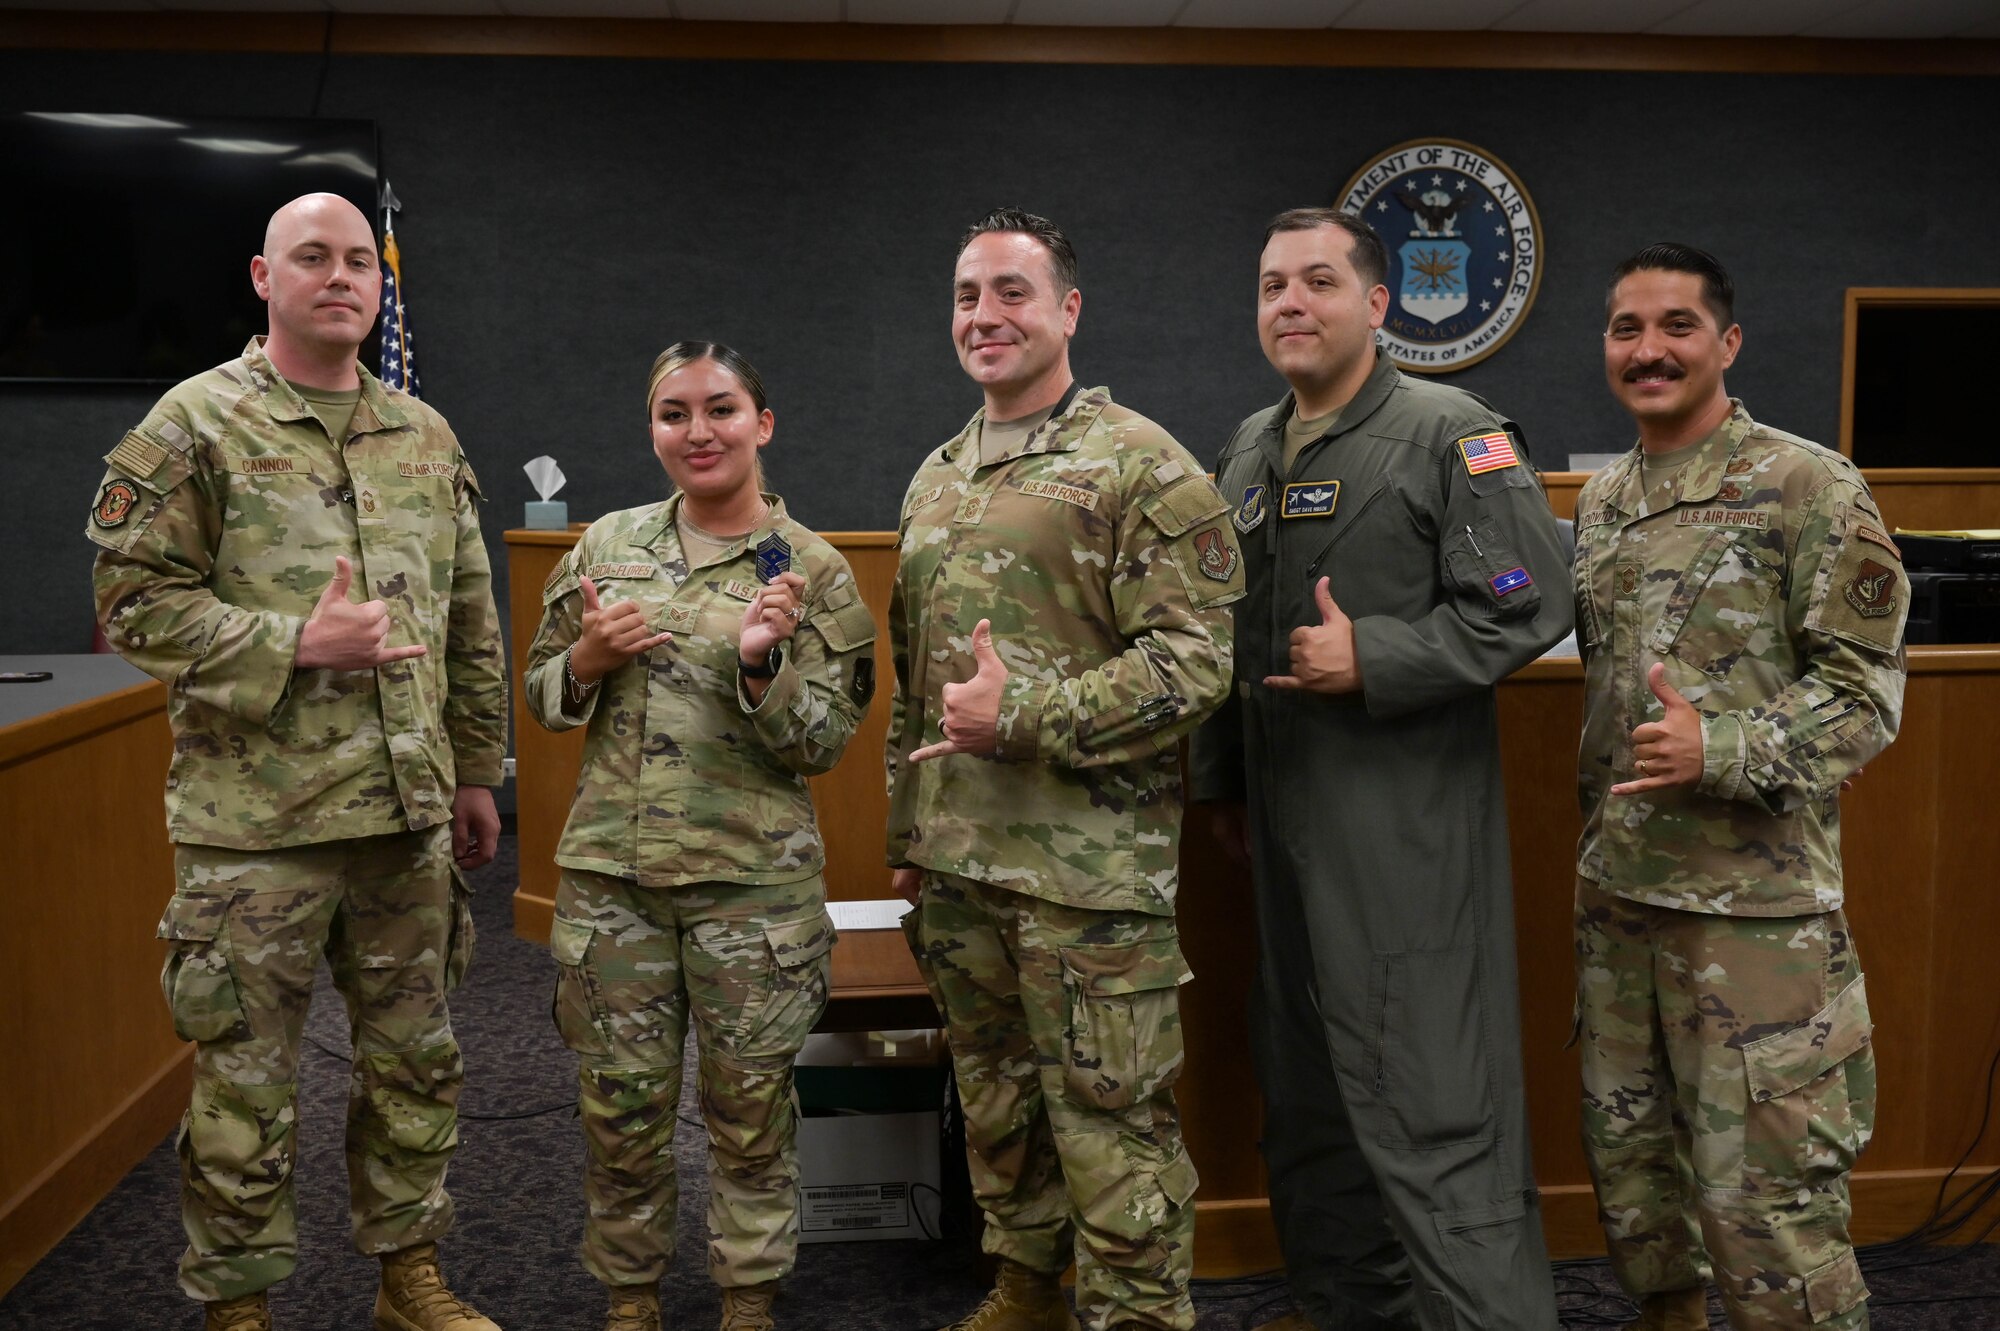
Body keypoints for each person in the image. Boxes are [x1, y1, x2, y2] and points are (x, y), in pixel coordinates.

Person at [86, 193, 508, 1331]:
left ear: (381, 284)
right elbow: (130, 603)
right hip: (253, 825)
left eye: (358, 260)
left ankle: (408, 1276)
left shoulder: (423, 433)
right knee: (245, 1085)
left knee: (415, 1064)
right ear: (263, 279)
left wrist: (476, 769)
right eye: (310, 258)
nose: (340, 276)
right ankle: (238, 1304)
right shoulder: (195, 423)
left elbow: (469, 615)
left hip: (403, 816)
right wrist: (292, 641)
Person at [1187, 208, 1571, 1331]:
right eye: (1270, 286)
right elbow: (1226, 634)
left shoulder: (1450, 432)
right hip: (1280, 824)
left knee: (1430, 1096)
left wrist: (1379, 652)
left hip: (1401, 829)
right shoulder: (1249, 448)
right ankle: (1348, 1301)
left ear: (1376, 303)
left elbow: (1528, 599)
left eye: (1315, 281)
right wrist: (1219, 782)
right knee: (1305, 1082)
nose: (1289, 304)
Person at [886, 207, 1244, 1331]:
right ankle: (1028, 1289)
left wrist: (1029, 715)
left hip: (1086, 878)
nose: (983, 317)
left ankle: (1137, 1315)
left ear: (1066, 310)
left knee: (1110, 1122)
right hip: (958, 864)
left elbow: (1195, 663)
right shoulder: (936, 476)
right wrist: (907, 833)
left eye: (1008, 293)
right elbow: (914, 680)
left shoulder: (1142, 463)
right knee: (995, 1109)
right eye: (964, 296)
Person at [1572, 244, 1906, 1331]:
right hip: (1621, 901)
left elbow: (1863, 697)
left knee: (1768, 1212)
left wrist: (1718, 747)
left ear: (1727, 341)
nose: (1647, 349)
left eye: (1674, 325)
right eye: (1626, 328)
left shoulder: (1807, 483)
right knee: (1640, 1188)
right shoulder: (1604, 498)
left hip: (1753, 925)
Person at [525, 341, 877, 1331]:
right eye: (672, 413)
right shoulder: (605, 547)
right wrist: (586, 658)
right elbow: (544, 698)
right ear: (653, 431)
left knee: (750, 1112)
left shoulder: (806, 568)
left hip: (749, 891)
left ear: (761, 424)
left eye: (720, 409)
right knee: (620, 1112)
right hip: (614, 885)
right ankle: (630, 1294)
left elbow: (823, 743)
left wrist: (763, 668)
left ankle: (747, 1295)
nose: (697, 431)